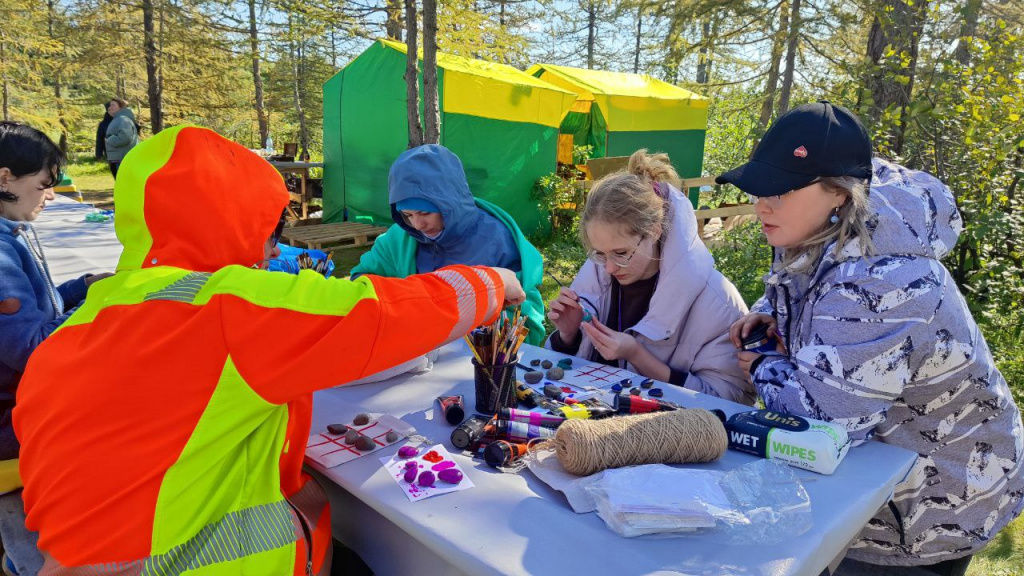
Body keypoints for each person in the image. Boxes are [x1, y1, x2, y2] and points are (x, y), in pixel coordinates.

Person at [12, 126, 525, 575]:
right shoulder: (224, 306)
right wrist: (492, 283)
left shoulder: (94, 310)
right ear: (226, 221)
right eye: (266, 229)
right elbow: (376, 313)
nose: (274, 249)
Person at [722, 101, 1024, 574]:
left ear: (838, 192)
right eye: (759, 188)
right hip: (882, 477)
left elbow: (826, 422)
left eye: (780, 191)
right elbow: (806, 286)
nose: (762, 204)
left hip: (931, 502)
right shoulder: (821, 226)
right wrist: (771, 317)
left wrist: (763, 367)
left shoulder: (880, 281)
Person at [546, 149, 755, 404]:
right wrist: (568, 336)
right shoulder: (597, 276)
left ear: (654, 231)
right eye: (599, 254)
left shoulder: (717, 301)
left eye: (621, 253)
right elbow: (568, 374)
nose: (610, 268)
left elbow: (729, 399)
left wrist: (637, 356)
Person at [0, 122, 111, 576]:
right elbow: (30, 347)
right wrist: (103, 307)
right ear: (5, 178)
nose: (50, 196)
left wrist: (81, 287)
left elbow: (36, 309)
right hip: (13, 424)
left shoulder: (12, 235)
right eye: (43, 185)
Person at [351, 144, 546, 345]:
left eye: (425, 212)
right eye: (407, 215)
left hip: (474, 360)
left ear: (450, 203)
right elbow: (362, 282)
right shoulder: (400, 238)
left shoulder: (497, 240)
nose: (417, 225)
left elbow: (526, 322)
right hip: (412, 352)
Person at [103, 98, 139, 179]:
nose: (109, 107)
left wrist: (109, 139)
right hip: (120, 159)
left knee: (125, 184)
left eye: (113, 105)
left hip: (122, 160)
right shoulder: (119, 119)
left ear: (121, 107)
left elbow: (125, 138)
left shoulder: (123, 119)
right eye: (109, 105)